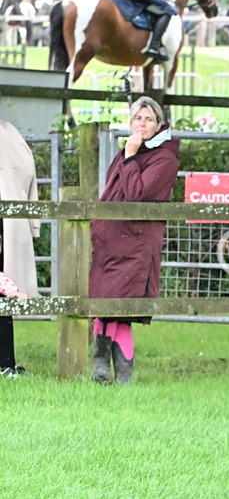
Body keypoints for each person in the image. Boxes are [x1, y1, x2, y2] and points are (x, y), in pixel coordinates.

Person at [89, 97, 179, 384]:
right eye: (137, 118)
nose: (142, 124)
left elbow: (135, 194)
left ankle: (121, 374)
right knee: (103, 304)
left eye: (148, 119)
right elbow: (110, 192)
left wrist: (129, 157)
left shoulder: (164, 158)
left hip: (136, 245)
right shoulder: (127, 152)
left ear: (158, 124)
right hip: (109, 242)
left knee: (121, 309)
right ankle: (102, 367)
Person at [0, 121, 40, 378]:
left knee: (4, 291)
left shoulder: (9, 133)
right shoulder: (9, 133)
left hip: (6, 225)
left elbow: (27, 174)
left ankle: (6, 362)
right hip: (9, 225)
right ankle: (6, 363)